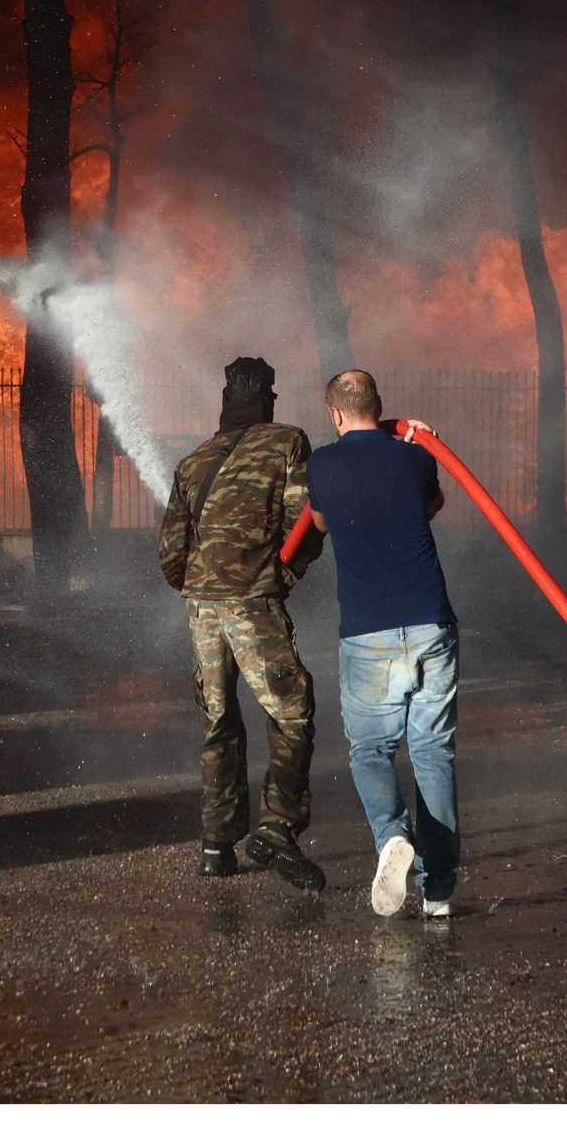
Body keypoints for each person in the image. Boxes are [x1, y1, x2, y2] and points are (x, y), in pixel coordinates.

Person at [157, 356, 328, 891]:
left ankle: (216, 846)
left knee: (219, 720)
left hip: (200, 606)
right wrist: (279, 575)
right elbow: (304, 522)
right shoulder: (288, 442)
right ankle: (277, 828)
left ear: (226, 399)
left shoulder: (193, 461)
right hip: (253, 600)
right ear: (268, 399)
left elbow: (170, 554)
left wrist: (200, 586)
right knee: (292, 710)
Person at [307, 369, 459, 920]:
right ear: (379, 404)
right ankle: (438, 893)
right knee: (433, 753)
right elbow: (432, 504)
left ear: (335, 413)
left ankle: (393, 835)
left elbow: (319, 523)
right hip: (431, 625)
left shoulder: (321, 464)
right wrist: (415, 438)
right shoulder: (416, 457)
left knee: (371, 750)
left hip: (367, 632)